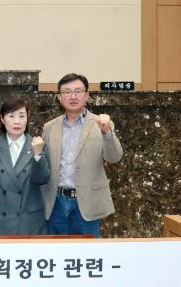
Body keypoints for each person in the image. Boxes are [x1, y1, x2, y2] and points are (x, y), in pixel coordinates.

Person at [42, 73, 123, 237]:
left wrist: (107, 132)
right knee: (55, 249)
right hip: (56, 202)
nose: (73, 96)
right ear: (59, 97)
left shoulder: (101, 124)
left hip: (86, 202)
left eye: (78, 91)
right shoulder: (49, 127)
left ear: (87, 95)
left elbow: (114, 157)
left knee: (87, 249)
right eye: (67, 92)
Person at [0, 98, 49, 235]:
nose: (17, 121)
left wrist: (37, 154)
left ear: (27, 118)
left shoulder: (37, 145)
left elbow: (42, 179)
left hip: (29, 220)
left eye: (22, 116)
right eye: (11, 116)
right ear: (2, 119)